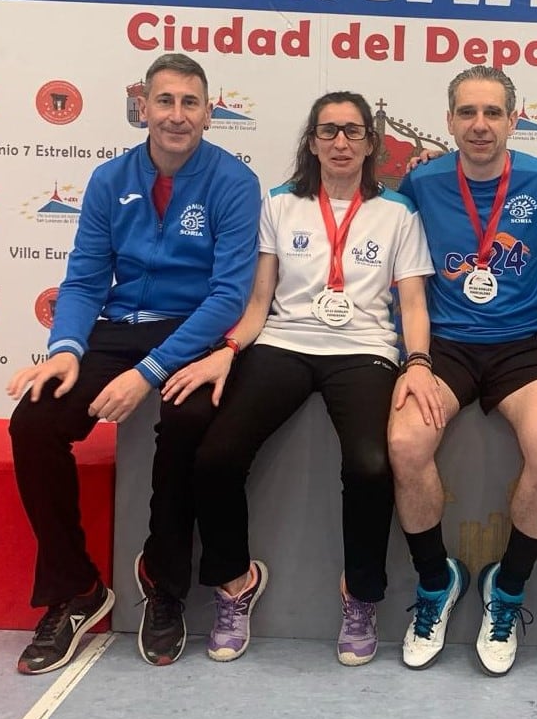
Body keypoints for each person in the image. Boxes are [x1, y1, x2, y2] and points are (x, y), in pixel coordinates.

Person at [161, 91, 437, 666]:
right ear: (312, 141)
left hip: (365, 350)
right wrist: (231, 348)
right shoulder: (279, 204)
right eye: (329, 131)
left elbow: (412, 303)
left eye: (353, 132)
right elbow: (260, 298)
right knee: (216, 456)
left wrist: (417, 363)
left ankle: (359, 596)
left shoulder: (398, 213)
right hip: (285, 343)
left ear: (370, 143)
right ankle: (234, 583)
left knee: (369, 464)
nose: (341, 142)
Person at [7, 53, 261, 675]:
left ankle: (164, 584)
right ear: (142, 107)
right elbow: (86, 280)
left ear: (208, 112)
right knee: (32, 424)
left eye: (191, 103)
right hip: (115, 329)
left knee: (188, 426)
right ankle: (77, 590)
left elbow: (229, 295)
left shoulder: (233, 181)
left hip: (193, 334)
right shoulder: (106, 179)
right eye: (166, 101)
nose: (177, 115)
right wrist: (66, 349)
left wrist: (147, 373)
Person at [388, 65, 537, 676]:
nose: (480, 126)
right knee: (403, 442)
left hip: (521, 345)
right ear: (449, 120)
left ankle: (507, 589)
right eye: (467, 113)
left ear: (513, 118)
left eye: (493, 113)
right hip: (444, 344)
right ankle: (435, 583)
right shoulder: (419, 183)